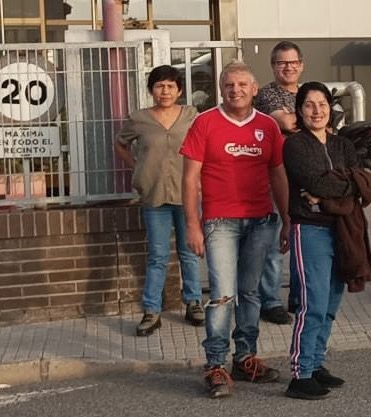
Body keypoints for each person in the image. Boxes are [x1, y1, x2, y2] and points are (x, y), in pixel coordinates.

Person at [181, 61, 290, 399]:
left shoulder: (268, 126)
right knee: (222, 295)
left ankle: (245, 358)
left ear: (254, 88)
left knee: (251, 293)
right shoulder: (204, 123)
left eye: (243, 84)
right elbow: (189, 178)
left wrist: (286, 220)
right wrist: (192, 225)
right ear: (221, 88)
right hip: (219, 223)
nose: (236, 90)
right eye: (229, 85)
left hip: (261, 221)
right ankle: (216, 364)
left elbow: (278, 175)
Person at [281, 82, 366, 400]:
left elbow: (362, 181)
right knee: (312, 305)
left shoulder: (342, 144)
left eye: (322, 104)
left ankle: (317, 364)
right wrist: (342, 186)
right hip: (311, 230)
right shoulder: (295, 146)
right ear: (300, 112)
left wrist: (331, 191)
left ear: (331, 109)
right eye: (309, 105)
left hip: (342, 229)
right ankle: (300, 374)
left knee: (330, 303)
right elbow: (314, 180)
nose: (316, 110)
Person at [116, 65, 203, 337]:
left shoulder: (191, 115)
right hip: (153, 194)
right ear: (151, 89)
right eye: (159, 86)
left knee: (189, 252)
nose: (165, 91)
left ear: (179, 90)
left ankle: (194, 302)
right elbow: (120, 144)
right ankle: (152, 310)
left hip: (186, 193)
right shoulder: (139, 119)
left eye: (170, 86)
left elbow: (204, 145)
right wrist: (137, 166)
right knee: (157, 255)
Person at [253, 41, 304, 326]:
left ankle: (298, 296)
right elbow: (285, 122)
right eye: (282, 62)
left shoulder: (310, 92)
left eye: (293, 62)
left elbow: (331, 126)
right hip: (278, 176)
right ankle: (269, 301)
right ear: (273, 66)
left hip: (308, 177)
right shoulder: (267, 95)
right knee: (275, 243)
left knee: (304, 240)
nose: (288, 67)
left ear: (301, 64)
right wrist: (312, 121)